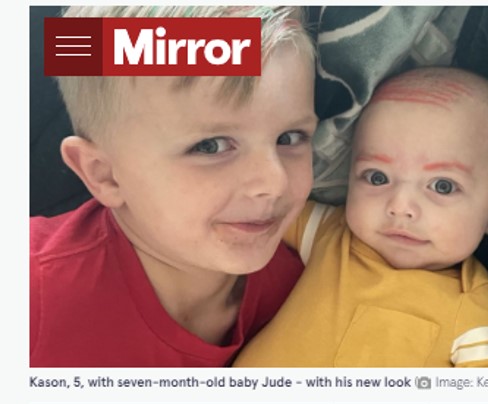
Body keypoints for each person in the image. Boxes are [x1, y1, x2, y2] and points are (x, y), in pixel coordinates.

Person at [234, 67, 488, 367]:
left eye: (443, 186)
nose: (400, 206)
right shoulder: (331, 236)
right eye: (378, 177)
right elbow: (255, 203)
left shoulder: (473, 308)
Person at [30, 5, 318, 367]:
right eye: (210, 145)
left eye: (290, 137)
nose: (274, 183)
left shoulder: (310, 281)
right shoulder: (27, 294)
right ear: (104, 174)